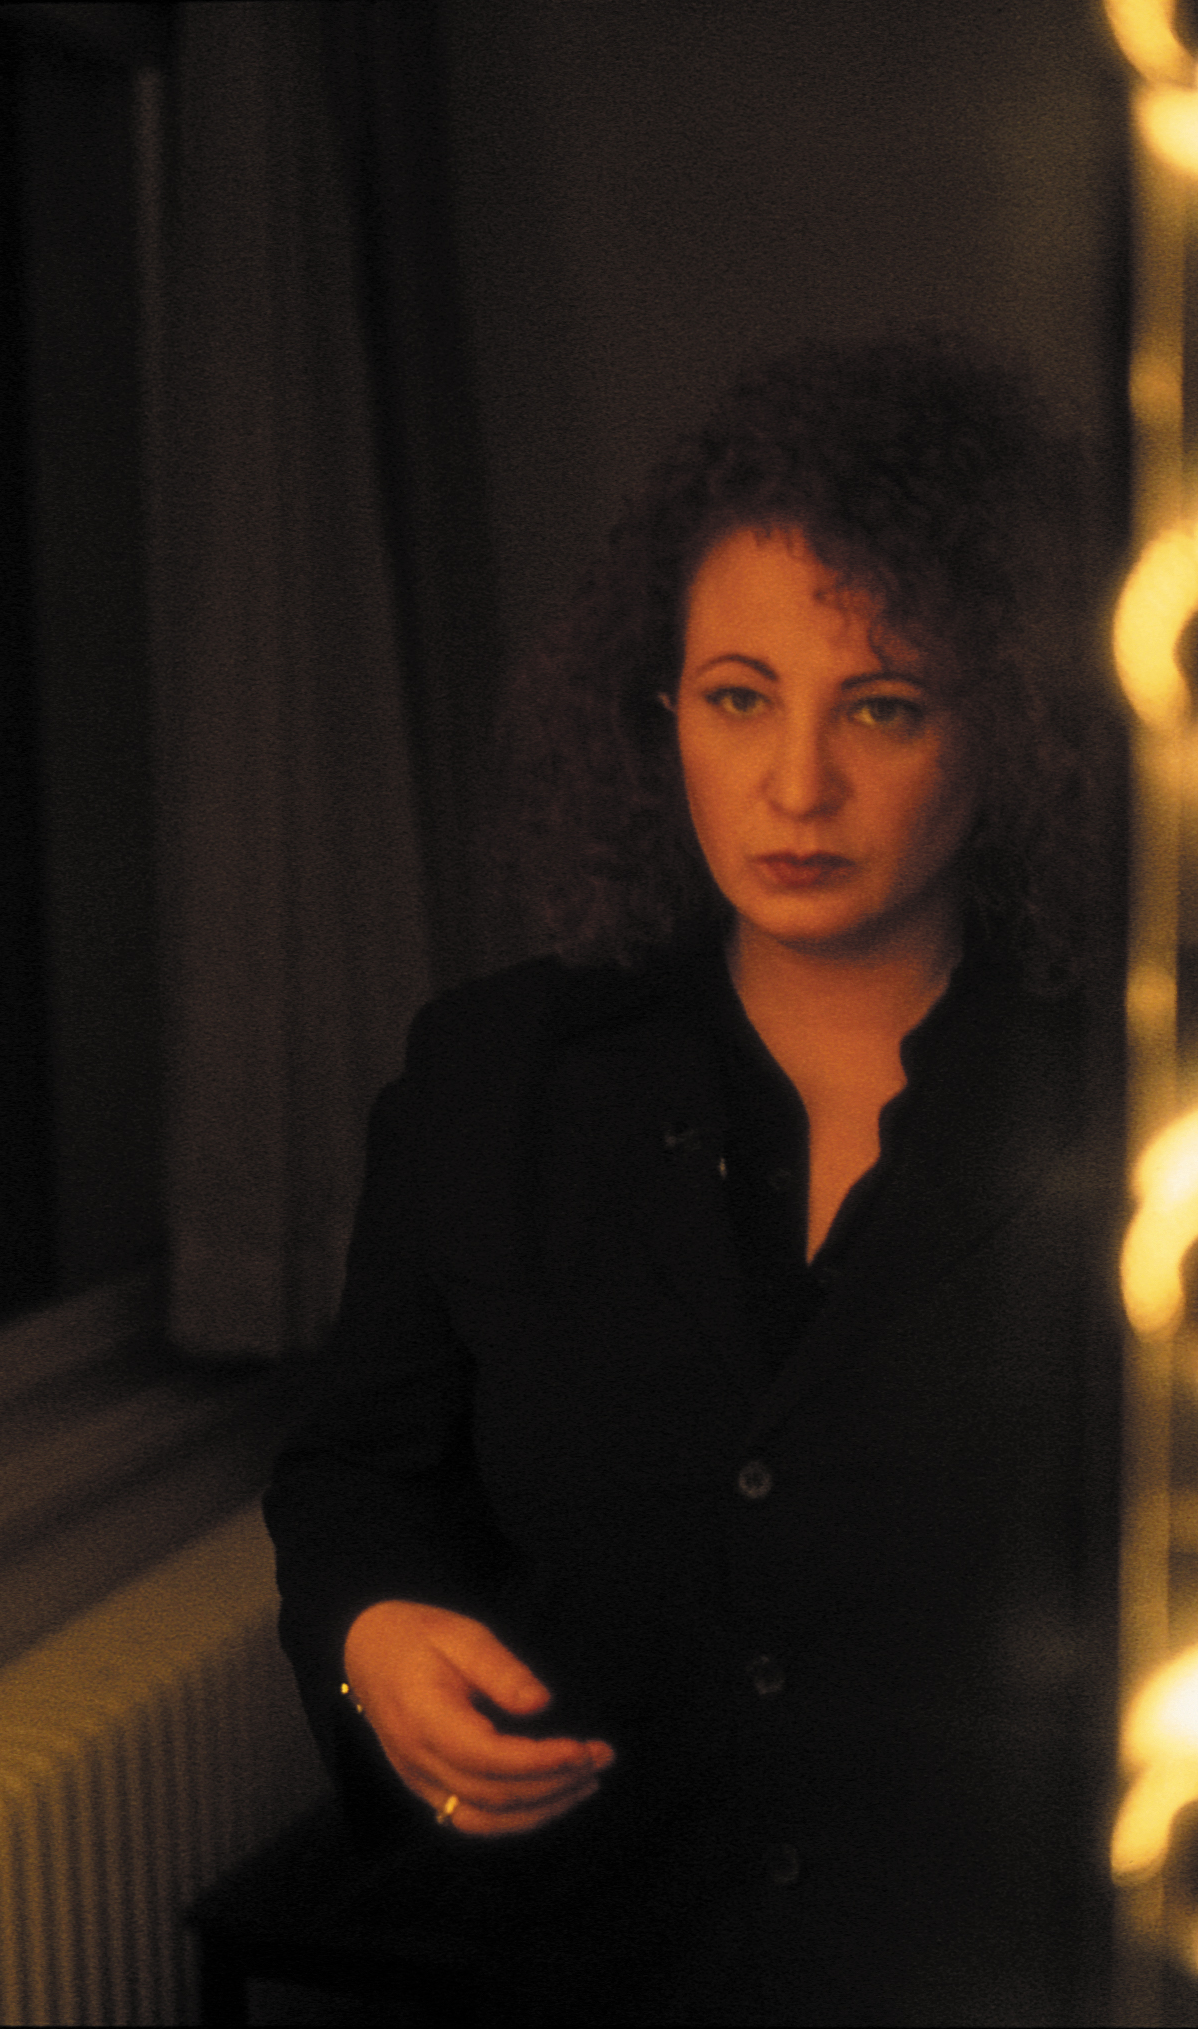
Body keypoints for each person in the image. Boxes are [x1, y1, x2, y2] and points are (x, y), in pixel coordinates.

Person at [264, 333, 1127, 2024]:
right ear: (659, 705)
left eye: (880, 706)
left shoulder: (1159, 1106)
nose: (794, 786)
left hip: (1003, 1970)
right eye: (739, 698)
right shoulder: (488, 1076)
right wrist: (369, 1638)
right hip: (588, 1949)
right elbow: (355, 1479)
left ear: (1008, 732)